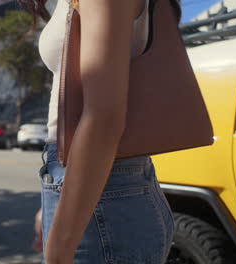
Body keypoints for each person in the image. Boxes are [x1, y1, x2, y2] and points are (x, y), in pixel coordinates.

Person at [19, 0, 180, 263]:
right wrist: (55, 203)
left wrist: (59, 248)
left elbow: (103, 119)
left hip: (106, 198)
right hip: (91, 189)